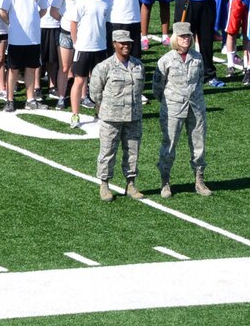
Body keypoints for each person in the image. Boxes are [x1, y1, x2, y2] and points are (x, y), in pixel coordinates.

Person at [87, 30, 145, 201]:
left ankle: (131, 184)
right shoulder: (104, 67)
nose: (125, 46)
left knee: (133, 151)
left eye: (128, 43)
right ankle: (104, 184)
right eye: (122, 43)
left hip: (133, 116)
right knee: (107, 151)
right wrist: (106, 106)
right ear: (114, 44)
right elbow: (95, 92)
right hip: (111, 117)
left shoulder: (138, 65)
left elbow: (139, 89)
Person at [155, 22, 210, 197]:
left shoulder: (197, 57)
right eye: (182, 36)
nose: (186, 39)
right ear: (175, 38)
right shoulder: (166, 60)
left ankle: (199, 180)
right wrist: (169, 101)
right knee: (169, 145)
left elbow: (200, 79)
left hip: (196, 107)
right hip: (173, 108)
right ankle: (165, 182)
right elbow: (157, 87)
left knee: (198, 144)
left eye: (188, 36)